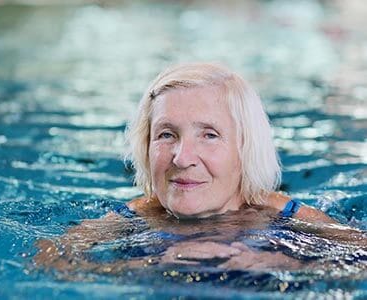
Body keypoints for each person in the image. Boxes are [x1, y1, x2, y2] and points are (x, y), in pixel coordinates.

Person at [34, 62, 364, 274]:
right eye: (166, 134)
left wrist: (281, 264)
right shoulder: (135, 217)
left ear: (245, 147)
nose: (182, 157)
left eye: (209, 134)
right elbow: (47, 260)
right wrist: (136, 267)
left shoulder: (288, 218)